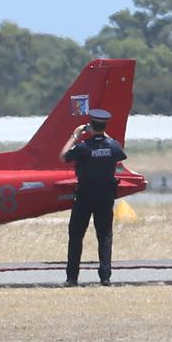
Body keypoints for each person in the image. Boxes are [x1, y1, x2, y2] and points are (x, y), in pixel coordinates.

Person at [59, 109, 127, 287]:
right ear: (105, 125)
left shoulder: (83, 147)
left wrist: (75, 135)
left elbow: (63, 156)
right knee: (104, 236)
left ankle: (72, 278)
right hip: (105, 197)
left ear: (90, 126)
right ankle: (105, 277)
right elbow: (119, 154)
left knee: (76, 236)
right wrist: (104, 135)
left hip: (84, 196)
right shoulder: (113, 146)